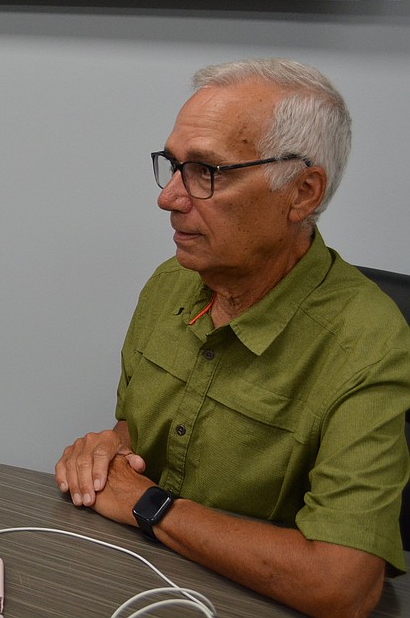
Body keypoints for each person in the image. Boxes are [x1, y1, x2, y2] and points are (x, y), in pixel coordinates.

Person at [54, 58, 410, 618]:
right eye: (172, 165)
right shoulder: (172, 282)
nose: (169, 198)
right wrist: (107, 451)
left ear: (302, 191)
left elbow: (344, 585)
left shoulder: (368, 341)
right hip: (142, 584)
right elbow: (139, 432)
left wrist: (148, 504)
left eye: (207, 172)